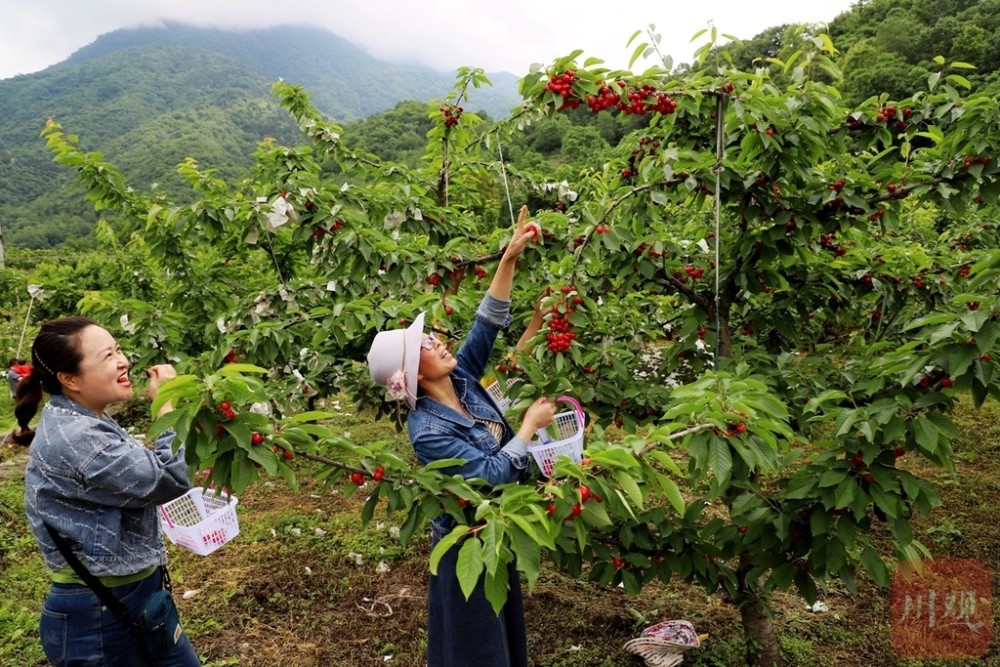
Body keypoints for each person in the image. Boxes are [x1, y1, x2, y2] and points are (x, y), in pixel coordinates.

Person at [366, 205, 557, 667]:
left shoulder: (464, 379)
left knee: (502, 631)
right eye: (426, 345)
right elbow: (490, 476)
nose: (438, 342)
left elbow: (487, 323)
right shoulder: (427, 432)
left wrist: (510, 258)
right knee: (477, 646)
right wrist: (529, 427)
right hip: (468, 539)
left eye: (431, 337)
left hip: (498, 529)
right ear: (412, 372)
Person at [12, 316, 200, 667]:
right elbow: (171, 478)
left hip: (128, 593)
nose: (123, 360)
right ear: (69, 379)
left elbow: (135, 473)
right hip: (98, 614)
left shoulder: (84, 418)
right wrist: (166, 406)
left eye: (118, 349)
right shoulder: (79, 437)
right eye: (106, 356)